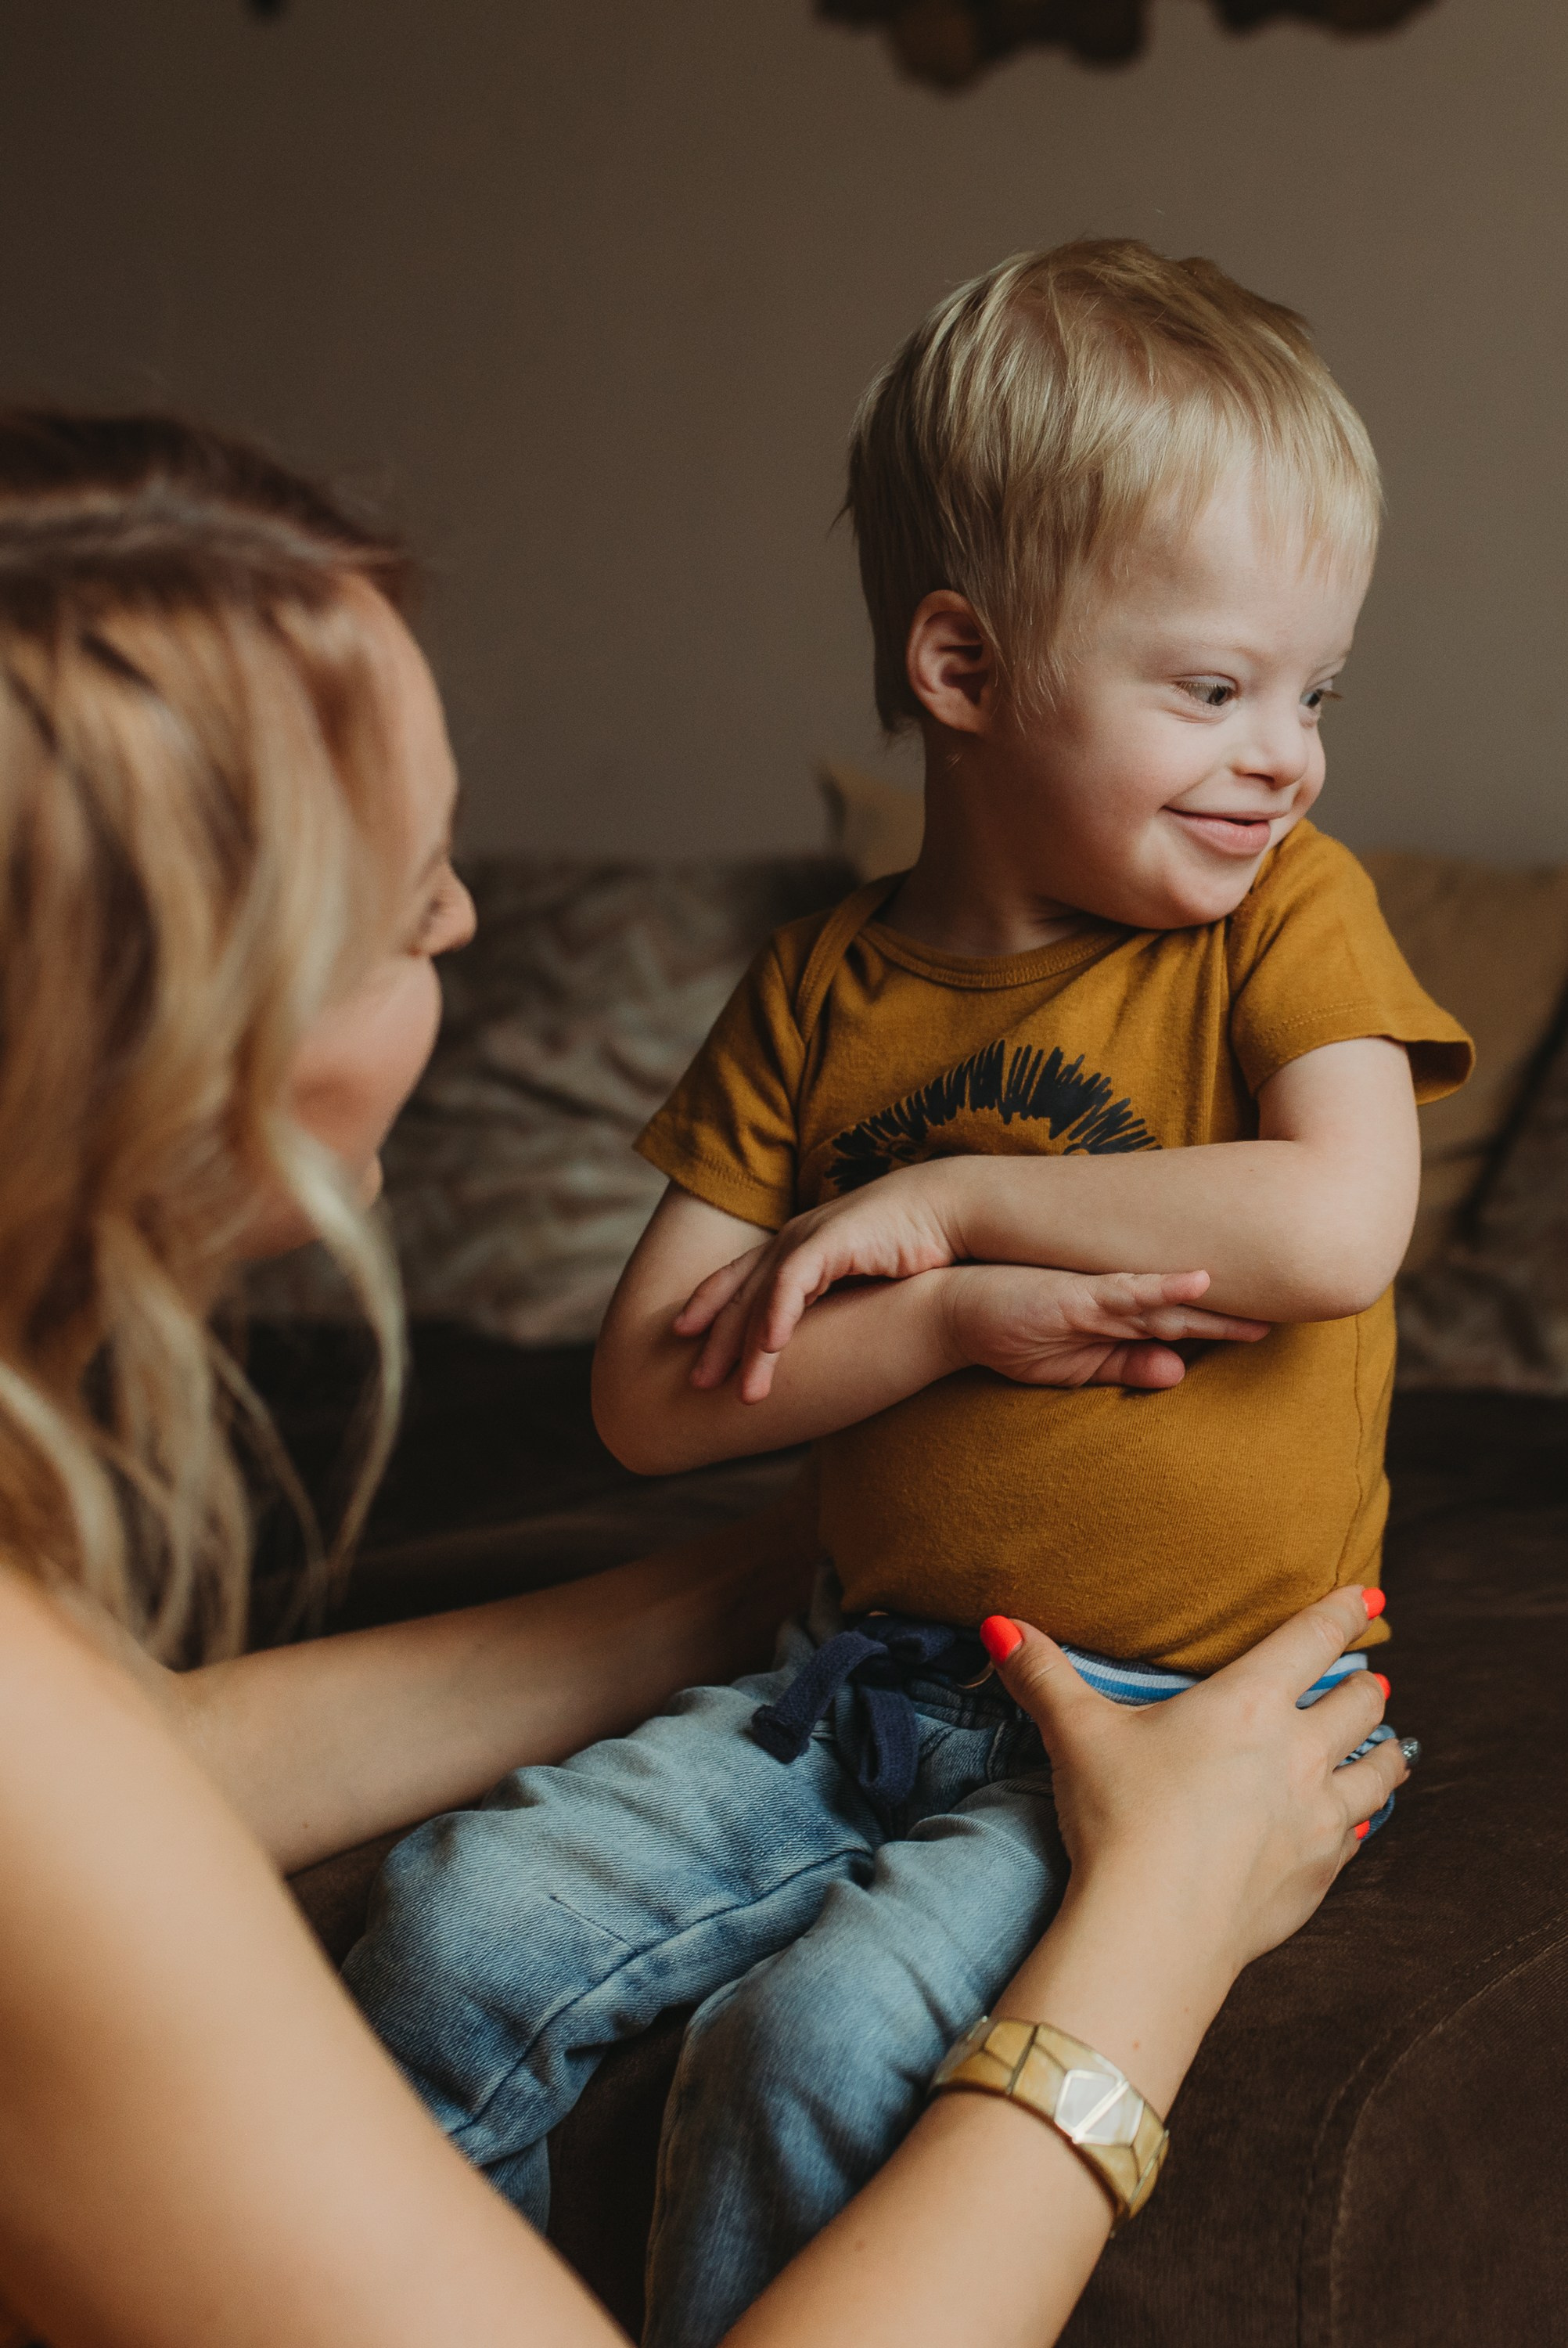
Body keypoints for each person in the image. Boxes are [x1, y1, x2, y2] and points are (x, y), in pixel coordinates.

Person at [0, 405, 1409, 2348]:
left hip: (931, 1645)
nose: (467, 918)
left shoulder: (1290, 918)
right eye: (406, 886)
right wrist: (1153, 1930)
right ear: (126, 1023)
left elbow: (130, 1764)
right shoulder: (825, 985)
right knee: (514, 1941)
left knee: (756, 2004)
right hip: (928, 1699)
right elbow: (65, 1813)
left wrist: (813, 1539)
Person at [346, 242, 1466, 2348]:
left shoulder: (1278, 924)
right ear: (959, 669)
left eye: (1315, 690)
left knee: (823, 2040)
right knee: (450, 1920)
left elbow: (1336, 1231)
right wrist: (941, 1332)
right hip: (856, 1672)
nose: (1285, 757)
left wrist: (957, 1205)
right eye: (1211, 689)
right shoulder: (819, 988)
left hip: (1173, 1712)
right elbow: (650, 1401)